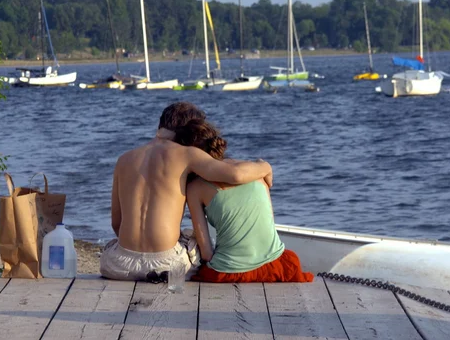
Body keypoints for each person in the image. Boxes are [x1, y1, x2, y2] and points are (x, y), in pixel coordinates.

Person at [100, 102, 273, 281]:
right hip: (166, 265)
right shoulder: (186, 154)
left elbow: (116, 223)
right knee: (192, 239)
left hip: (119, 265)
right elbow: (236, 175)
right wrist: (265, 166)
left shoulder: (124, 159)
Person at [175, 119, 314, 283]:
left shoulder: (195, 188)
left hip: (229, 272)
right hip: (277, 266)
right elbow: (268, 222)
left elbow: (206, 253)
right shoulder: (254, 170)